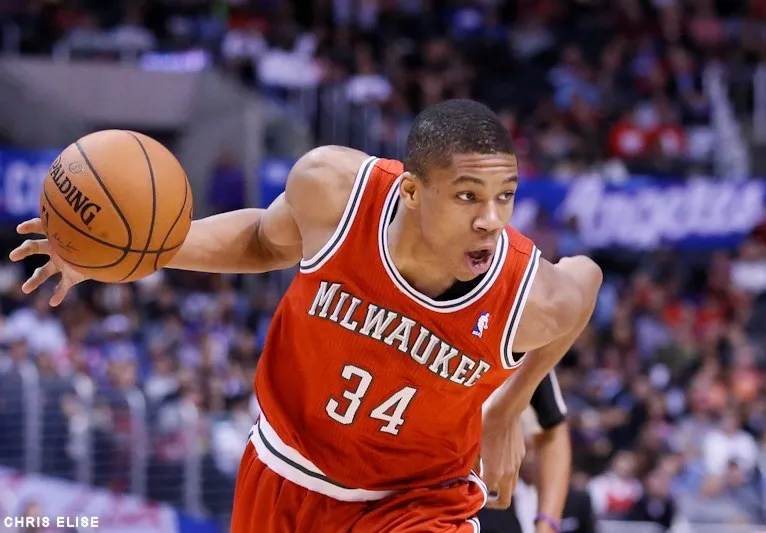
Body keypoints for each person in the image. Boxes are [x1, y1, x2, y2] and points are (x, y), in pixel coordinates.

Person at [11, 99, 603, 532]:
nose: (491, 220)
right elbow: (263, 242)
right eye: (468, 196)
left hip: (418, 501)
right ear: (411, 192)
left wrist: (510, 404)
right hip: (285, 471)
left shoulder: (528, 294)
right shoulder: (335, 193)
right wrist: (133, 254)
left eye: (505, 196)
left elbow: (587, 282)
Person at [479, 370, 596, 533]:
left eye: (534, 448)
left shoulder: (578, 499)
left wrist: (547, 524)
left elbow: (554, 427)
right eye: (528, 448)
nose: (530, 457)